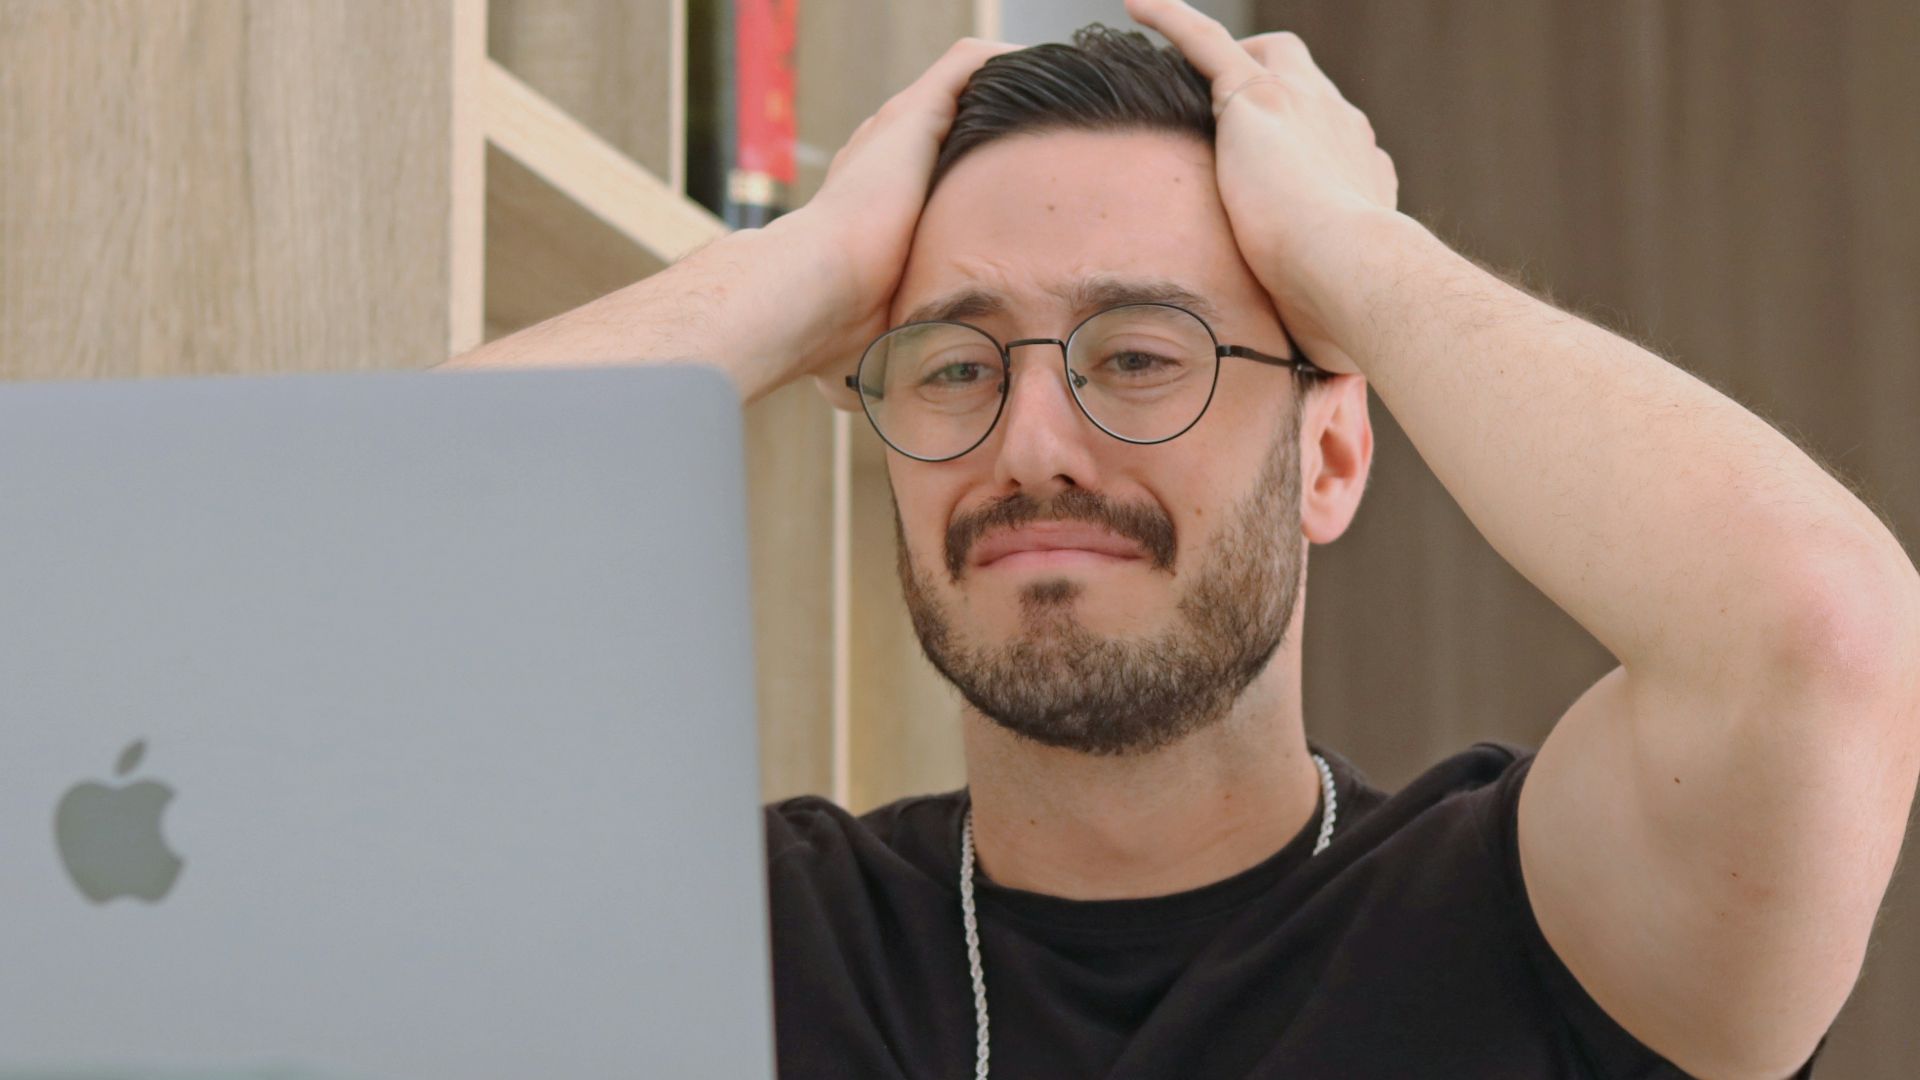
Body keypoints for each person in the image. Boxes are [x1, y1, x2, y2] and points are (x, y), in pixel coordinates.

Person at [442, 1, 1920, 1075]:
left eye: (1142, 357)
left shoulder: (1536, 933)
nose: (1030, 446)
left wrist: (1357, 252)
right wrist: (803, 265)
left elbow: (1825, 637)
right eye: (956, 366)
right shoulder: (752, 959)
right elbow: (290, 620)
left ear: (1332, 452)